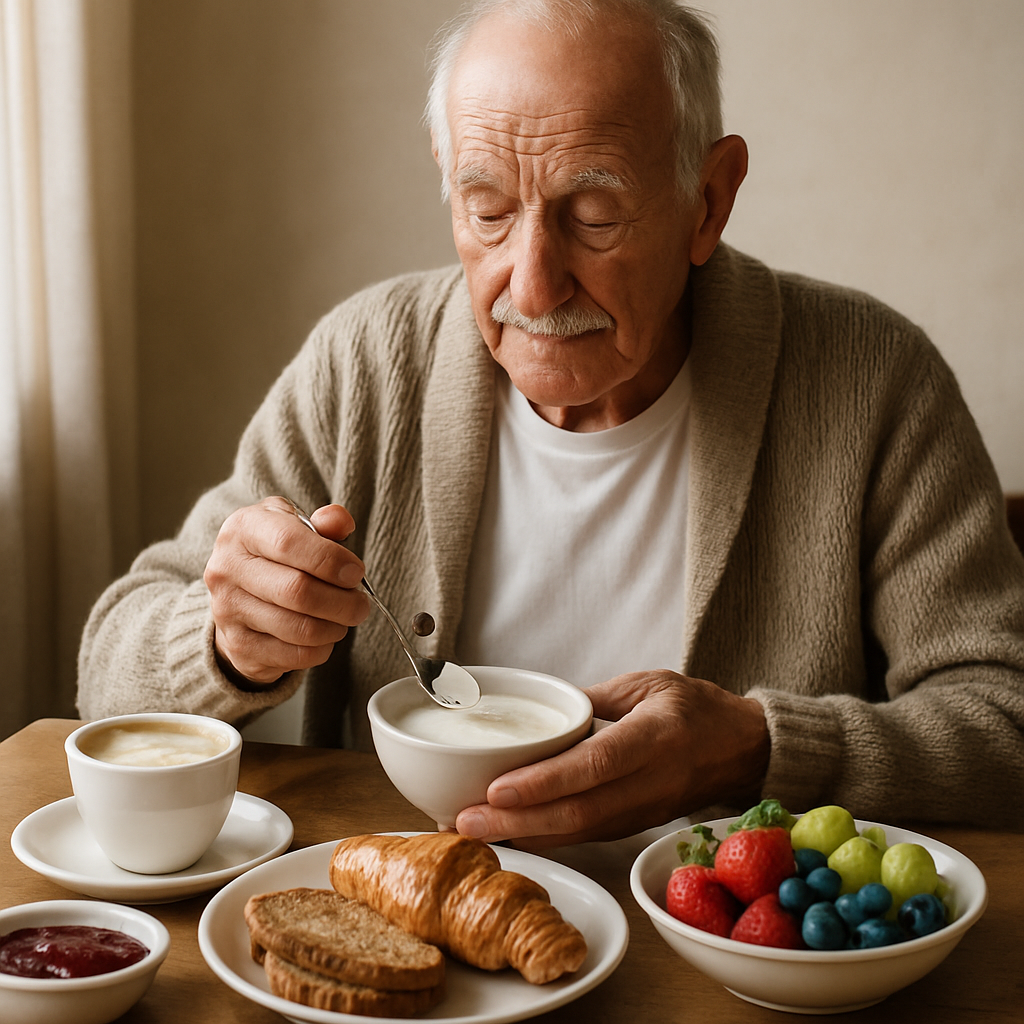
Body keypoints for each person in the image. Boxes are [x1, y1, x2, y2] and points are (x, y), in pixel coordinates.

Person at [77, 0, 1024, 846]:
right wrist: (225, 642)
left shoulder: (872, 380)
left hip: (735, 967)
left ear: (710, 199)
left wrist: (756, 748)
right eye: (487, 210)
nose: (532, 285)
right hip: (421, 933)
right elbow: (107, 666)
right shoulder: (364, 363)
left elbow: (1005, 720)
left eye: (596, 216)